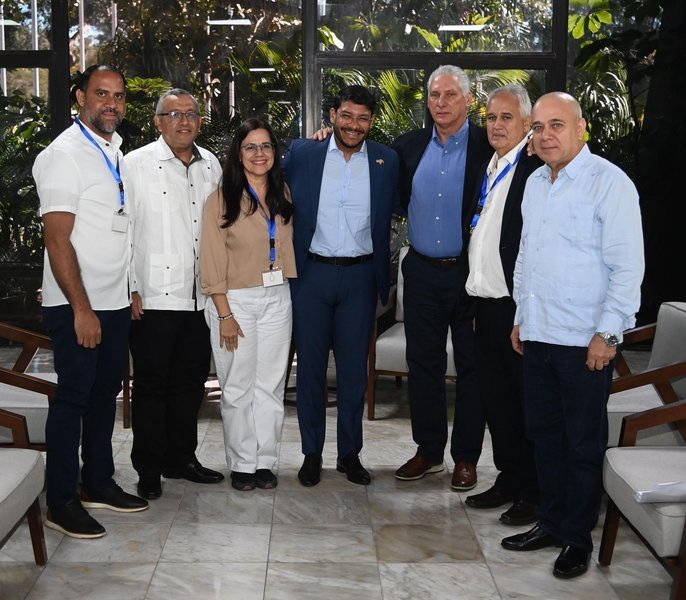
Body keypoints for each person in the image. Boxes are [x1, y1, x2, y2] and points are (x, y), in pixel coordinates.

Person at [502, 92, 644, 579]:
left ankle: (577, 539)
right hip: (539, 333)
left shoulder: (610, 183)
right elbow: (525, 257)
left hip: (586, 341)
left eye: (556, 125)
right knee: (544, 437)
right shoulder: (536, 183)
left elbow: (627, 269)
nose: (546, 136)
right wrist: (521, 315)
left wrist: (609, 334)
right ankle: (552, 522)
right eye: (538, 128)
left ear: (581, 129)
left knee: (583, 442)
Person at [33, 64, 148, 539]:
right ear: (79, 96)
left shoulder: (114, 151)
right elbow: (58, 241)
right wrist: (82, 308)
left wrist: (129, 288)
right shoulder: (64, 154)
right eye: (101, 94)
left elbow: (114, 228)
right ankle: (60, 500)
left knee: (105, 396)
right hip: (77, 304)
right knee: (74, 399)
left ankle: (97, 481)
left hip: (114, 301)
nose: (112, 104)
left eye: (119, 96)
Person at [283, 85, 399, 487]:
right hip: (312, 275)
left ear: (371, 122)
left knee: (353, 374)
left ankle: (349, 454)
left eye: (363, 118)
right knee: (311, 370)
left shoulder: (388, 160)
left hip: (360, 278)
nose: (353, 125)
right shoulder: (303, 154)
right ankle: (311, 453)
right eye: (346, 116)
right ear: (332, 115)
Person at [392, 65, 492, 490]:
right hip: (420, 272)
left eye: (451, 95)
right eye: (435, 95)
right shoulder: (407, 147)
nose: (442, 103)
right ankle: (429, 451)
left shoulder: (491, 146)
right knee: (423, 364)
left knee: (473, 368)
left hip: (470, 276)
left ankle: (465, 458)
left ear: (469, 100)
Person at [123, 88, 224, 500]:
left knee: (191, 384)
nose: (184, 121)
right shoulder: (134, 165)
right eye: (174, 114)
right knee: (151, 386)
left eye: (191, 114)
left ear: (200, 121)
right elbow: (124, 230)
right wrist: (130, 287)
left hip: (199, 298)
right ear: (158, 121)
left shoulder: (211, 165)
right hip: (153, 297)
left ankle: (182, 458)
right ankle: (149, 468)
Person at [200, 117, 296, 491]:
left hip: (277, 297)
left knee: (270, 385)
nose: (259, 154)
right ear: (238, 155)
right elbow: (210, 260)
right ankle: (242, 463)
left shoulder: (282, 193)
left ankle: (265, 462)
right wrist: (224, 313)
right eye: (250, 147)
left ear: (275, 152)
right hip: (234, 301)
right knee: (238, 385)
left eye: (266, 146)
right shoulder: (220, 200)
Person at [463, 84, 541, 526]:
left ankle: (533, 491)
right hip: (486, 307)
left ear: (527, 124)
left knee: (525, 402)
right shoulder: (488, 167)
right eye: (491, 117)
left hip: (518, 309)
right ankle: (509, 478)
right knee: (497, 402)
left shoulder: (533, 168)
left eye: (507, 117)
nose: (496, 125)